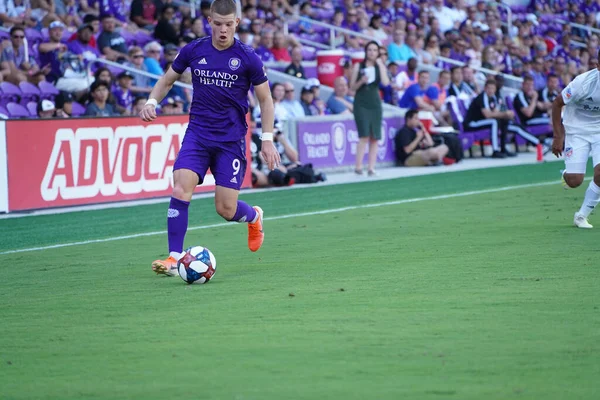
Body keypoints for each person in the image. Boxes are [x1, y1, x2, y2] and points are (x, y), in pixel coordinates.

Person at [139, 0, 280, 276]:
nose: (223, 30)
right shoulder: (194, 50)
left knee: (226, 209)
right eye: (218, 24)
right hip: (198, 135)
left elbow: (266, 99)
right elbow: (167, 80)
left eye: (228, 24)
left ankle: (254, 216)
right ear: (209, 21)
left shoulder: (248, 57)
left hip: (230, 140)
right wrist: (151, 102)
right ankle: (174, 257)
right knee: (181, 188)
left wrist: (267, 138)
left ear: (237, 23)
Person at [551, 60, 600, 228]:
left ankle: (581, 216)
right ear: (598, 65)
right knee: (574, 181)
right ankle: (567, 172)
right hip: (576, 131)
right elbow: (557, 103)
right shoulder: (583, 83)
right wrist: (558, 136)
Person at [464, 79, 540, 158]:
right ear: (485, 88)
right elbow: (488, 115)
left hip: (483, 122)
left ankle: (504, 148)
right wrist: (505, 114)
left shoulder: (494, 97)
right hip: (472, 123)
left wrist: (506, 115)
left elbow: (496, 112)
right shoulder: (482, 97)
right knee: (494, 122)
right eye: (488, 88)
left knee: (505, 121)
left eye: (492, 88)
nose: (490, 90)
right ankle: (495, 150)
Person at [350, 40, 389, 176]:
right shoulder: (358, 66)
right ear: (366, 52)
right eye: (369, 50)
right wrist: (361, 81)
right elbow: (351, 88)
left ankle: (371, 167)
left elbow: (385, 82)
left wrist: (381, 65)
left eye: (374, 50)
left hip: (375, 103)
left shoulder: (379, 66)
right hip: (361, 102)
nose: (372, 53)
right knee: (364, 135)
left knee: (375, 136)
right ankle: (358, 166)